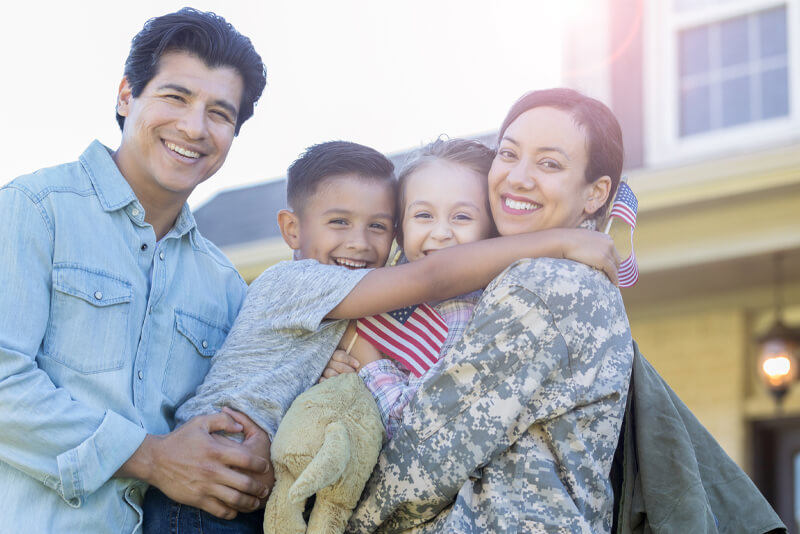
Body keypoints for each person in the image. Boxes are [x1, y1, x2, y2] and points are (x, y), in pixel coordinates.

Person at [166, 136, 620, 532]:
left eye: (377, 227)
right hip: (210, 475)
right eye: (339, 222)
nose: (360, 243)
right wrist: (561, 241)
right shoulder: (293, 283)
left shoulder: (378, 312)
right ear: (291, 229)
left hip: (259, 491)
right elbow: (432, 277)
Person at [0, 8, 269, 533]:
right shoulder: (34, 210)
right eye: (175, 97)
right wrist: (150, 457)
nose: (194, 127)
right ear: (127, 95)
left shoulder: (228, 288)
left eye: (220, 113)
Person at [347, 88, 635, 533]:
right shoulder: (526, 276)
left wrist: (366, 365)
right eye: (509, 154)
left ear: (596, 193)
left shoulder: (543, 285)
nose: (518, 178)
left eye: (549, 164)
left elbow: (424, 460)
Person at [323, 137, 497, 440]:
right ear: (400, 233)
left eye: (462, 217)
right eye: (424, 215)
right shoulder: (378, 296)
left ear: (490, 231)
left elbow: (415, 426)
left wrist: (368, 363)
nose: (441, 233)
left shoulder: (467, 315)